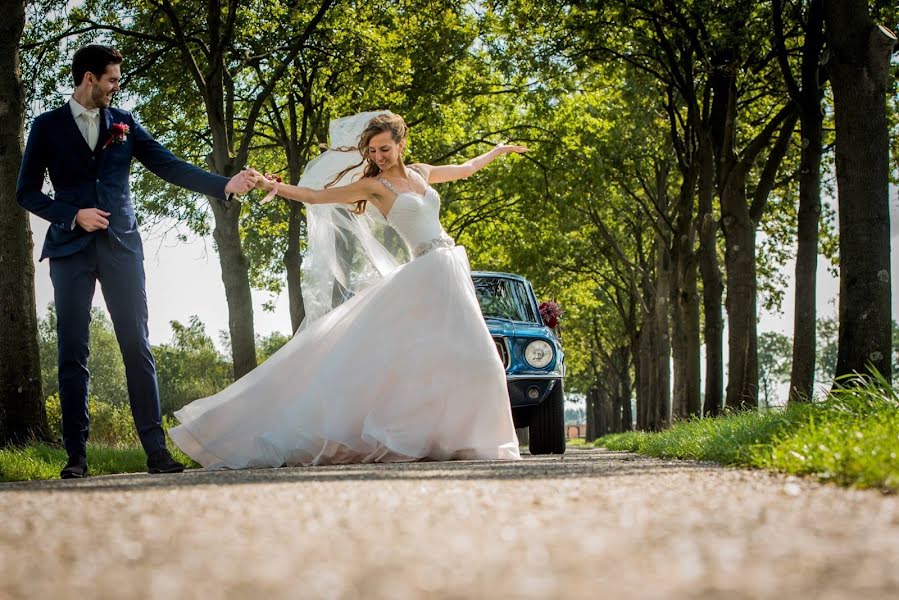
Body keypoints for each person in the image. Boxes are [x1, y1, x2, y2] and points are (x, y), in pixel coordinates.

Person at [167, 111, 527, 468]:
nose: (378, 157)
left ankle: (458, 438)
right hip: (427, 273)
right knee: (447, 357)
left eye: (384, 149)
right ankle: (409, 434)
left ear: (401, 145)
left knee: (464, 357)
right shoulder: (375, 186)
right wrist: (269, 185)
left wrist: (498, 151)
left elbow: (465, 168)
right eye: (372, 151)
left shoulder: (421, 172)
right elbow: (314, 195)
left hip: (449, 267)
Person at [16, 45, 259, 479]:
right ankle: (76, 457)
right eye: (111, 79)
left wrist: (227, 184)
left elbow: (167, 165)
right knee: (73, 350)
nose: (116, 87)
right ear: (88, 78)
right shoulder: (46, 126)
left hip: (122, 248)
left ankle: (156, 452)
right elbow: (27, 192)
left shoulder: (125, 122)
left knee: (137, 346)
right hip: (70, 249)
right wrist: (72, 215)